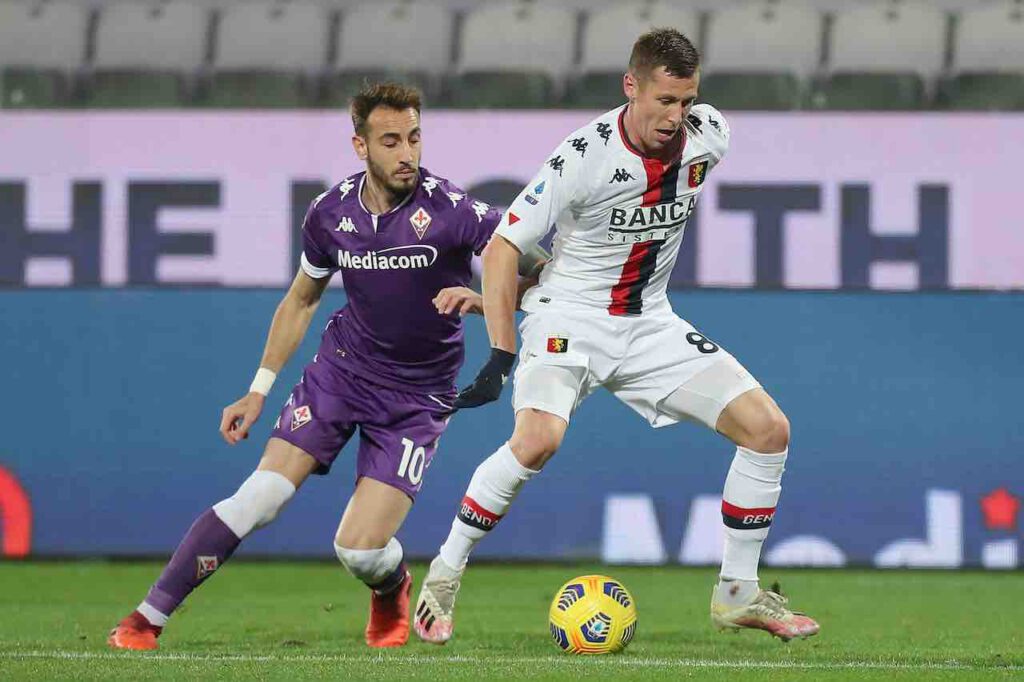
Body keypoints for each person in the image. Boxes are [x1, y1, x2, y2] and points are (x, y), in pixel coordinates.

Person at [414, 29, 820, 644]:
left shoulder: (710, 136)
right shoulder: (582, 157)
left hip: (649, 322)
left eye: (686, 101)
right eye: (663, 100)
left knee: (769, 431)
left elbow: (603, 248)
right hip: (568, 322)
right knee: (537, 441)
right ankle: (444, 578)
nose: (675, 116)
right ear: (631, 86)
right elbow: (503, 248)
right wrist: (501, 349)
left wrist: (517, 292)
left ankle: (737, 593)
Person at [107, 82, 537, 650]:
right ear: (360, 146)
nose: (407, 152)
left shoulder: (453, 210)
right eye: (390, 141)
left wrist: (484, 301)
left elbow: (541, 275)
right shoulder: (330, 213)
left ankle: (392, 586)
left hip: (418, 397)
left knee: (358, 551)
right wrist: (257, 390)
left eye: (413, 137)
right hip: (342, 372)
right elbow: (302, 298)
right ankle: (145, 620)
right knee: (261, 495)